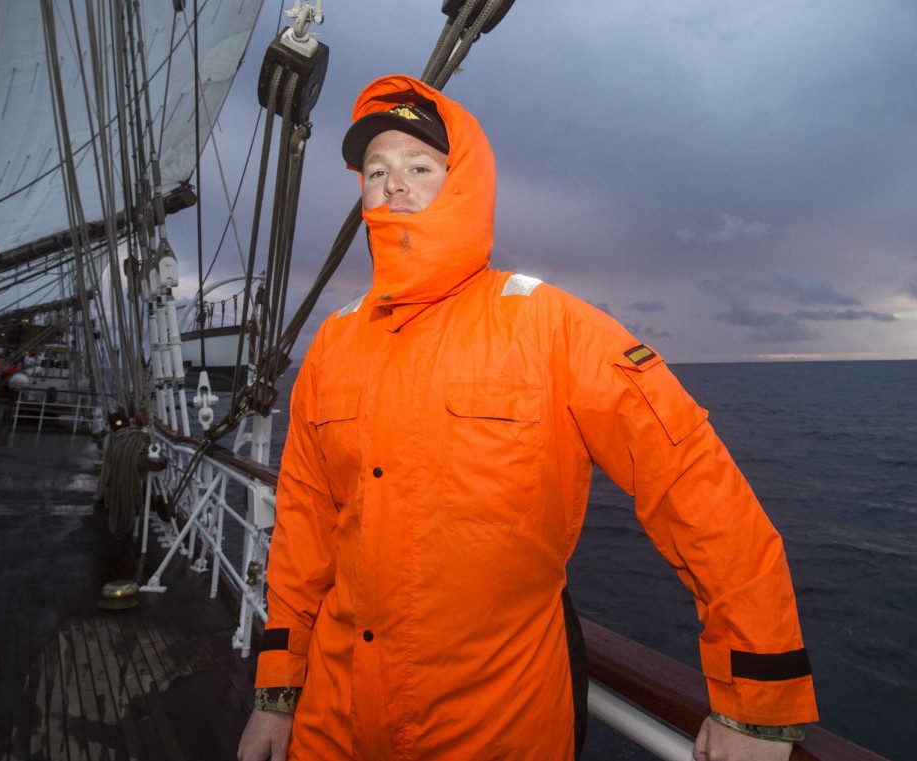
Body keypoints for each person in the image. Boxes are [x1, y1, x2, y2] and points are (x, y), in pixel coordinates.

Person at [238, 74, 818, 761]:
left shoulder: (552, 327)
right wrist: (276, 695)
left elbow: (695, 484)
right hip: (331, 724)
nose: (395, 185)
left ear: (463, 181)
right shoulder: (334, 343)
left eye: (420, 166)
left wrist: (756, 704)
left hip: (496, 730)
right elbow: (302, 528)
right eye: (377, 170)